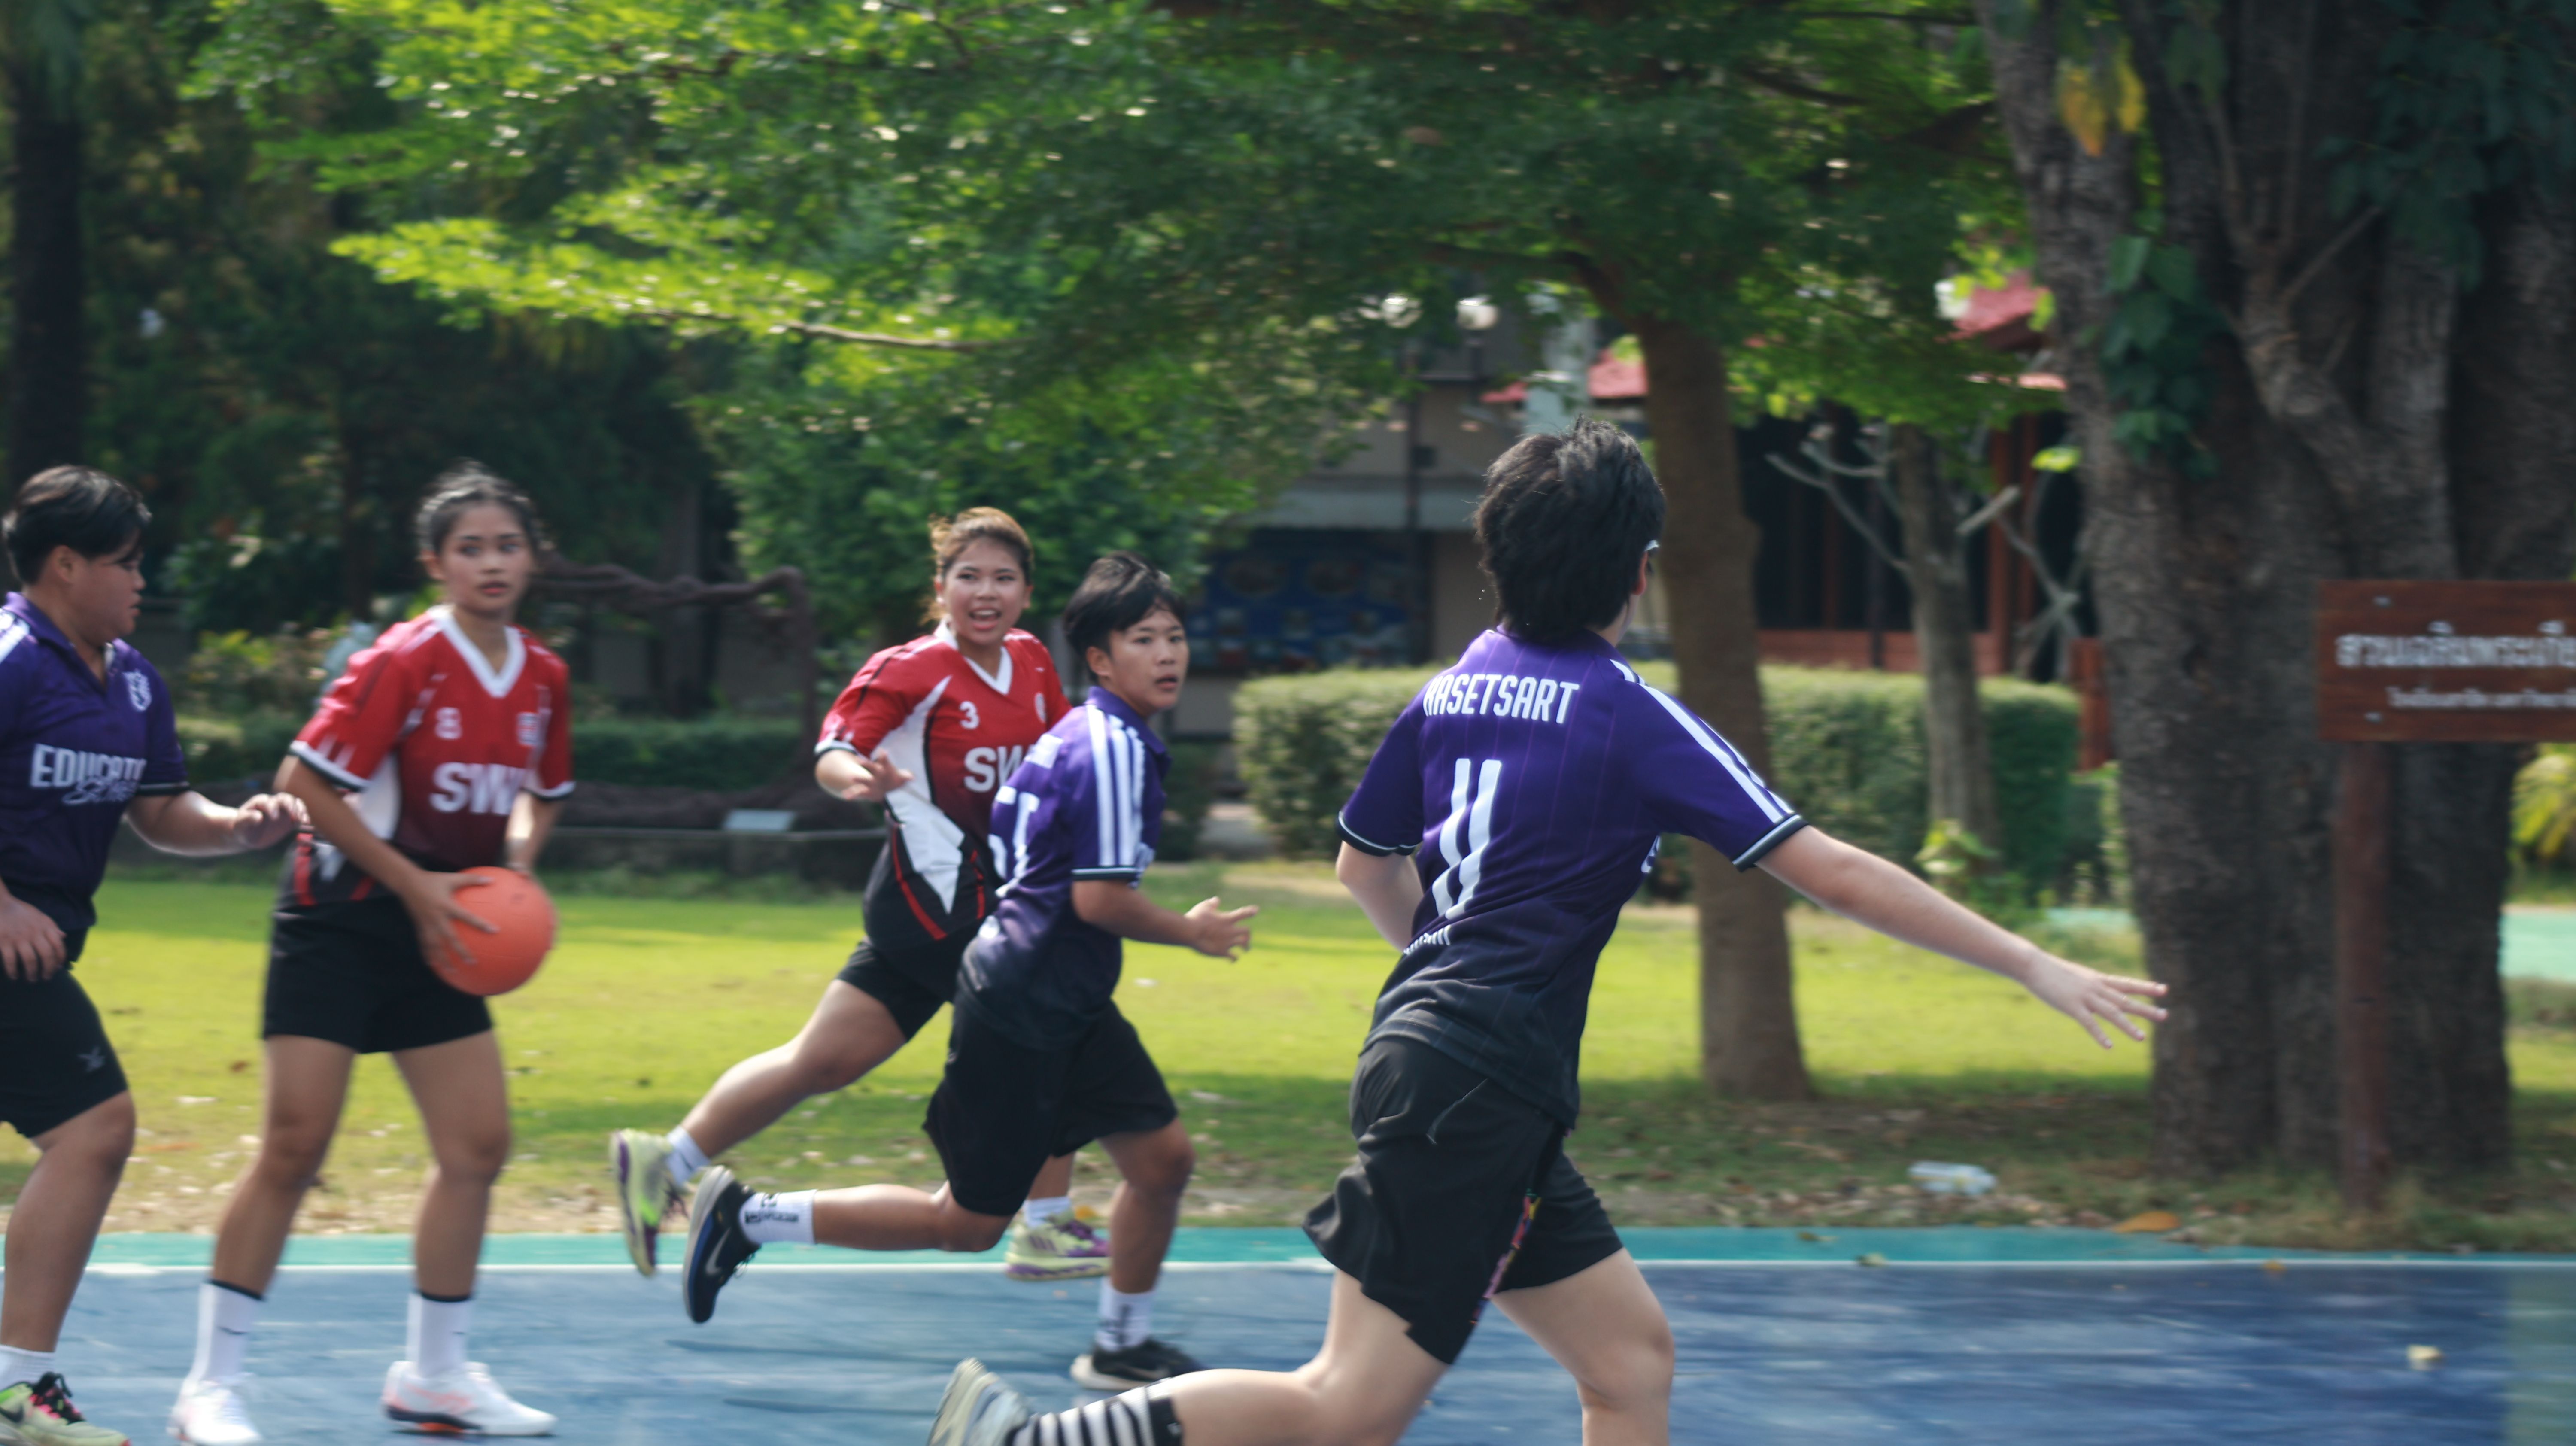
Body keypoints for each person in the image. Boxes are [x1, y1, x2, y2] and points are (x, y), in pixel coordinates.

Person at [924, 419, 2172, 1446]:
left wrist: (1436, 979)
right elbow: (1830, 871)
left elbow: (1363, 861)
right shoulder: (1628, 715)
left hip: (1445, 1066)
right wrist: (2031, 961)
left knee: (1629, 1365)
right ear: (1640, 575)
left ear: (1497, 558)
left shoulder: (1455, 686)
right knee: (1345, 1408)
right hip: (1476, 1080)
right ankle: (1030, 1443)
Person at [682, 553, 1257, 1392]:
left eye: (1174, 636)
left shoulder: (1085, 730)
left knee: (1163, 1162)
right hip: (1022, 1004)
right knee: (968, 1223)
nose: (1168, 654)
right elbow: (1099, 900)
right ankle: (750, 1216)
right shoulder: (1107, 747)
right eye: (1144, 640)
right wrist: (1191, 932)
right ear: (1101, 660)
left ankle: (1120, 1345)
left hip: (1061, 995)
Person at [168, 464, 576, 1446]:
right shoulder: (405, 656)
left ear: (533, 558)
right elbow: (303, 782)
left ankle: (435, 1375)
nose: (491, 562)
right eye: (470, 548)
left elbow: (544, 792)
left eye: (507, 545)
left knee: (477, 1147)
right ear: (436, 564)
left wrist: (514, 871)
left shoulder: (544, 676)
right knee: (295, 1146)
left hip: (444, 923)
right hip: (342, 915)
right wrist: (417, 886)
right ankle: (208, 1389)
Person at [608, 508, 1111, 1284]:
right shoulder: (909, 669)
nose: (986, 592)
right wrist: (858, 779)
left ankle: (665, 1163)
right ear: (940, 588)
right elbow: (835, 750)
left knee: (822, 1061)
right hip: (941, 901)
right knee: (1052, 1026)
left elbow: (1060, 757)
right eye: (968, 576)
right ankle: (1046, 1224)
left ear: (1026, 592)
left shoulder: (1033, 661)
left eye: (1003, 578)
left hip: (965, 903)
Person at [0, 468, 305, 1446]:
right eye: (126, 562)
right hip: (10, 950)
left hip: (35, 957)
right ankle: (17, 1391)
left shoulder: (131, 679)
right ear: (64, 564)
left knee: (91, 1130)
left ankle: (17, 1390)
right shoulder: (9, 657)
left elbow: (162, 809)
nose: (142, 580)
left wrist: (239, 827)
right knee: (94, 1128)